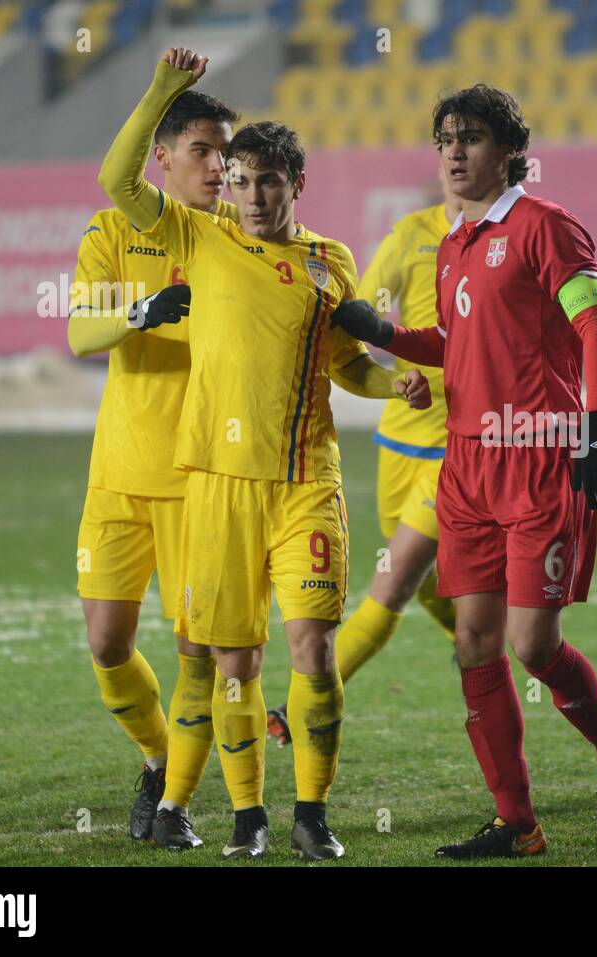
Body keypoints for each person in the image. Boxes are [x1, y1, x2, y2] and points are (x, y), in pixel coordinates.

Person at [97, 47, 430, 860]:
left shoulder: (331, 264)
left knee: (312, 644)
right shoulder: (202, 239)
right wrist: (162, 92)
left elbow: (345, 363)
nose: (247, 196)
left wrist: (396, 385)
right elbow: (118, 182)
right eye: (237, 179)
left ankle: (310, 812)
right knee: (234, 661)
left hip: (304, 483)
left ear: (296, 186)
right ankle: (248, 817)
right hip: (215, 486)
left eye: (266, 181)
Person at [331, 84, 597, 859]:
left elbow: (596, 328)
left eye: (469, 137)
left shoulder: (546, 227)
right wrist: (387, 334)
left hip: (539, 462)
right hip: (465, 466)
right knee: (474, 643)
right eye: (444, 139)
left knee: (533, 646)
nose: (454, 152)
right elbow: (458, 345)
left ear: (509, 149)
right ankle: (518, 822)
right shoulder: (451, 245)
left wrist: (596, 432)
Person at [69, 88, 238, 849]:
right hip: (119, 473)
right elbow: (79, 334)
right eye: (201, 150)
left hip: (199, 475)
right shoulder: (111, 230)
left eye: (225, 152)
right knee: (107, 641)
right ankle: (157, 755)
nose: (217, 165)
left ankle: (175, 799)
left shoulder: (235, 237)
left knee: (196, 649)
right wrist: (142, 313)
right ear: (161, 157)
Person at [266, 169, 462, 746]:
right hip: (399, 439)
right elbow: (360, 313)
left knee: (392, 580)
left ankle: (294, 706)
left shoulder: (503, 243)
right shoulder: (412, 235)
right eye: (448, 150)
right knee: (422, 579)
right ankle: (472, 636)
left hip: (457, 444)